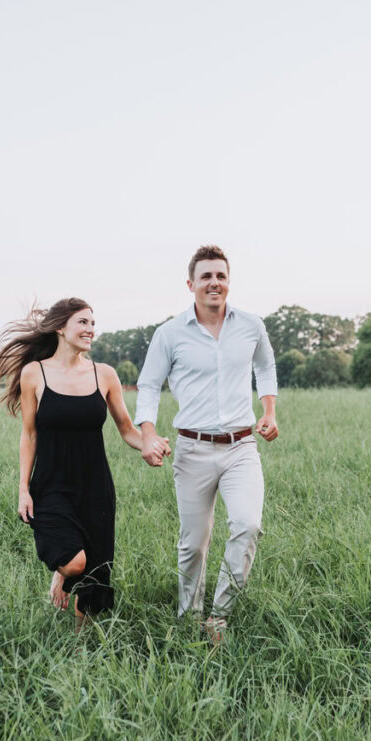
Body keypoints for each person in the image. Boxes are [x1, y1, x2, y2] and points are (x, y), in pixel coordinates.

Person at [0, 298, 170, 632]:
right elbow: (28, 436)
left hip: (95, 485)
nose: (91, 330)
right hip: (51, 482)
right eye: (83, 323)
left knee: (96, 569)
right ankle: (61, 574)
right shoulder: (35, 373)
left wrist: (150, 443)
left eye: (92, 323)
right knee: (75, 562)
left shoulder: (104, 375)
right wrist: (23, 489)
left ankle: (79, 643)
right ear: (61, 327)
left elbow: (127, 430)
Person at [135, 246, 278, 644]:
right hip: (193, 449)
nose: (214, 283)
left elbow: (265, 366)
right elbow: (148, 385)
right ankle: (188, 616)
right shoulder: (169, 333)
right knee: (194, 543)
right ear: (191, 284)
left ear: (228, 281)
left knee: (247, 525)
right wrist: (147, 433)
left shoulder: (251, 325)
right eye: (206, 277)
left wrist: (269, 411)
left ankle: (220, 615)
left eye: (221, 276)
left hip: (241, 447)